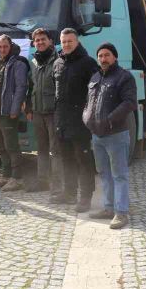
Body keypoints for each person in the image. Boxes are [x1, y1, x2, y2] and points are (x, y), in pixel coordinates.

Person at [83, 43, 138, 230]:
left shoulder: (124, 77)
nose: (103, 59)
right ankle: (108, 207)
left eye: (106, 55)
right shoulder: (95, 77)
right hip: (97, 135)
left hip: (116, 134)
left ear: (114, 57)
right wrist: (86, 118)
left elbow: (130, 103)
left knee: (119, 175)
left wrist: (109, 119)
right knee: (104, 173)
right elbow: (88, 102)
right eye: (100, 56)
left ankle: (121, 213)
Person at [52, 28, 99, 212]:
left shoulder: (88, 63)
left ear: (77, 42)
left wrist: (90, 117)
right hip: (62, 122)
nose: (66, 45)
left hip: (80, 122)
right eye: (63, 42)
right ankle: (69, 193)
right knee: (67, 160)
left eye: (70, 41)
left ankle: (85, 198)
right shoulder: (57, 63)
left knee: (84, 161)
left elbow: (95, 94)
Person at [0, 34, 30, 191]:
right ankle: (6, 175)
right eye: (0, 47)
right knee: (0, 146)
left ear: (10, 46)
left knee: (11, 147)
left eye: (5, 46)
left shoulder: (18, 63)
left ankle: (17, 178)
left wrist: (15, 110)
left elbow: (22, 87)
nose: (2, 49)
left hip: (7, 113)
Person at [25, 28, 61, 194]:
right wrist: (30, 108)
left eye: (43, 39)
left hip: (53, 112)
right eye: (37, 40)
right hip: (38, 111)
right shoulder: (33, 62)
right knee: (41, 148)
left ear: (50, 41)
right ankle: (42, 181)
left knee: (56, 149)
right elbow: (30, 86)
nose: (40, 42)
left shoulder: (58, 60)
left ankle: (57, 184)